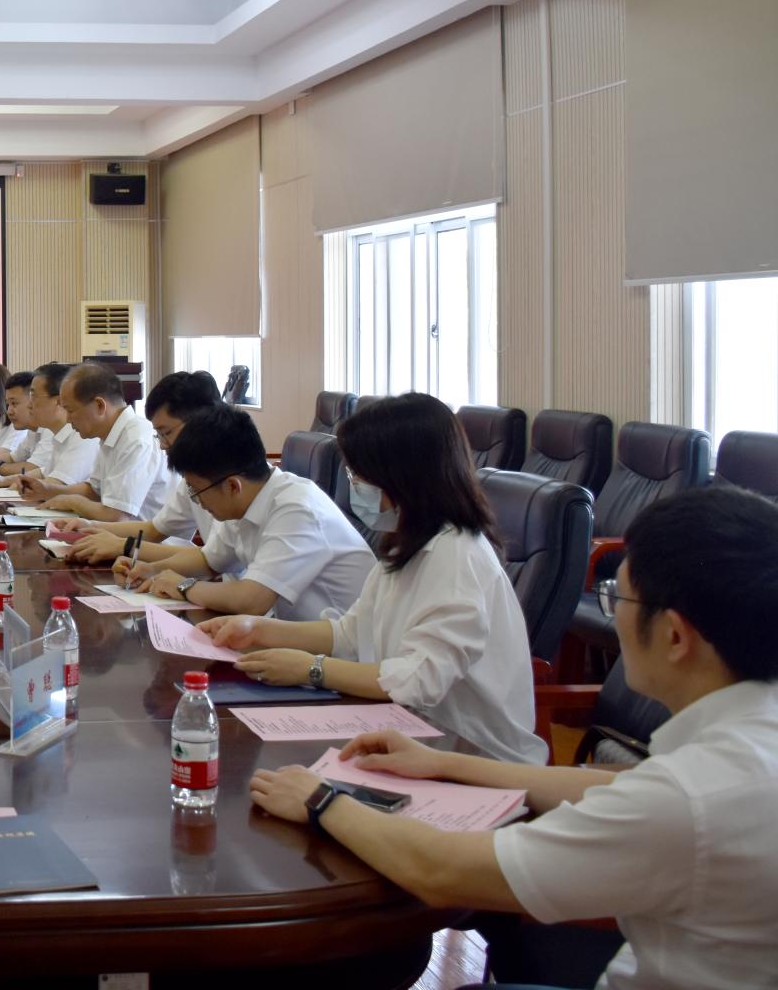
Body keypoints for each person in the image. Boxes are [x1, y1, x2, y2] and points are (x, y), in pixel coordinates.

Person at [248, 486, 778, 990]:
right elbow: (626, 786)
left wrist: (322, 800)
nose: (612, 615)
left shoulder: (690, 797)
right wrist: (448, 764)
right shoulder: (746, 738)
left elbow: (442, 871)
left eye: (618, 598)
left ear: (675, 636)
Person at [196, 394, 545, 764]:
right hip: (409, 733)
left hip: (476, 757)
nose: (355, 486)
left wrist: (312, 669)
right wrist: (258, 631)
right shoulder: (409, 543)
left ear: (401, 477)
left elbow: (417, 681)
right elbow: (351, 633)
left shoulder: (457, 556)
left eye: (359, 476)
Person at [133, 406, 375, 622]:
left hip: (343, 650)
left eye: (197, 491)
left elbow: (251, 600)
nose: (197, 501)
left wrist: (183, 586)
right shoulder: (245, 502)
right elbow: (209, 561)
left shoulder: (298, 508)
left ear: (232, 486)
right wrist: (152, 570)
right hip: (295, 638)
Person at [52, 370, 223, 566]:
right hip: (168, 561)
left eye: (166, 433)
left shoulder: (228, 475)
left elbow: (215, 558)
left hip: (184, 565)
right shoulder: (193, 476)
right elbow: (154, 530)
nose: (162, 445)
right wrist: (88, 526)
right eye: (159, 435)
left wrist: (124, 546)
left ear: (201, 423)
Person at [32, 361, 172, 521]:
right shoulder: (109, 434)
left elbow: (116, 516)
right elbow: (95, 490)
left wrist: (72, 502)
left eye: (70, 410)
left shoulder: (136, 439)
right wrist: (48, 490)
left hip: (140, 535)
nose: (68, 420)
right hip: (114, 532)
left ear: (99, 405)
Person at [0, 361, 100, 489]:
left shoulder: (81, 436)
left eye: (33, 396)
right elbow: (45, 472)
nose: (29, 405)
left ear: (59, 401)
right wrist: (3, 481)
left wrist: (14, 484)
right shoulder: (59, 434)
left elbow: (56, 484)